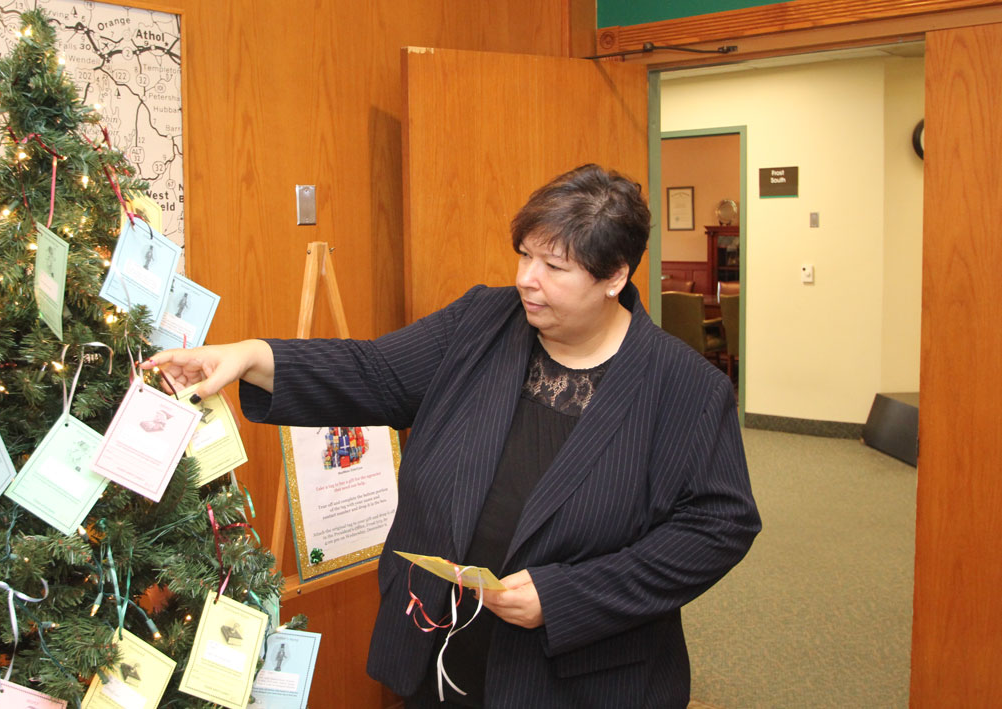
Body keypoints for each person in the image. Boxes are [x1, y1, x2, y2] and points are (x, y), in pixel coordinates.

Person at [143, 165, 760, 708]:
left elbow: (717, 526)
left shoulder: (685, 388)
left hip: (580, 676)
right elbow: (375, 373)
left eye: (554, 266)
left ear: (614, 277)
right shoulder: (483, 321)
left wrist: (568, 596)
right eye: (524, 255)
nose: (526, 279)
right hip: (441, 650)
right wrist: (251, 355)